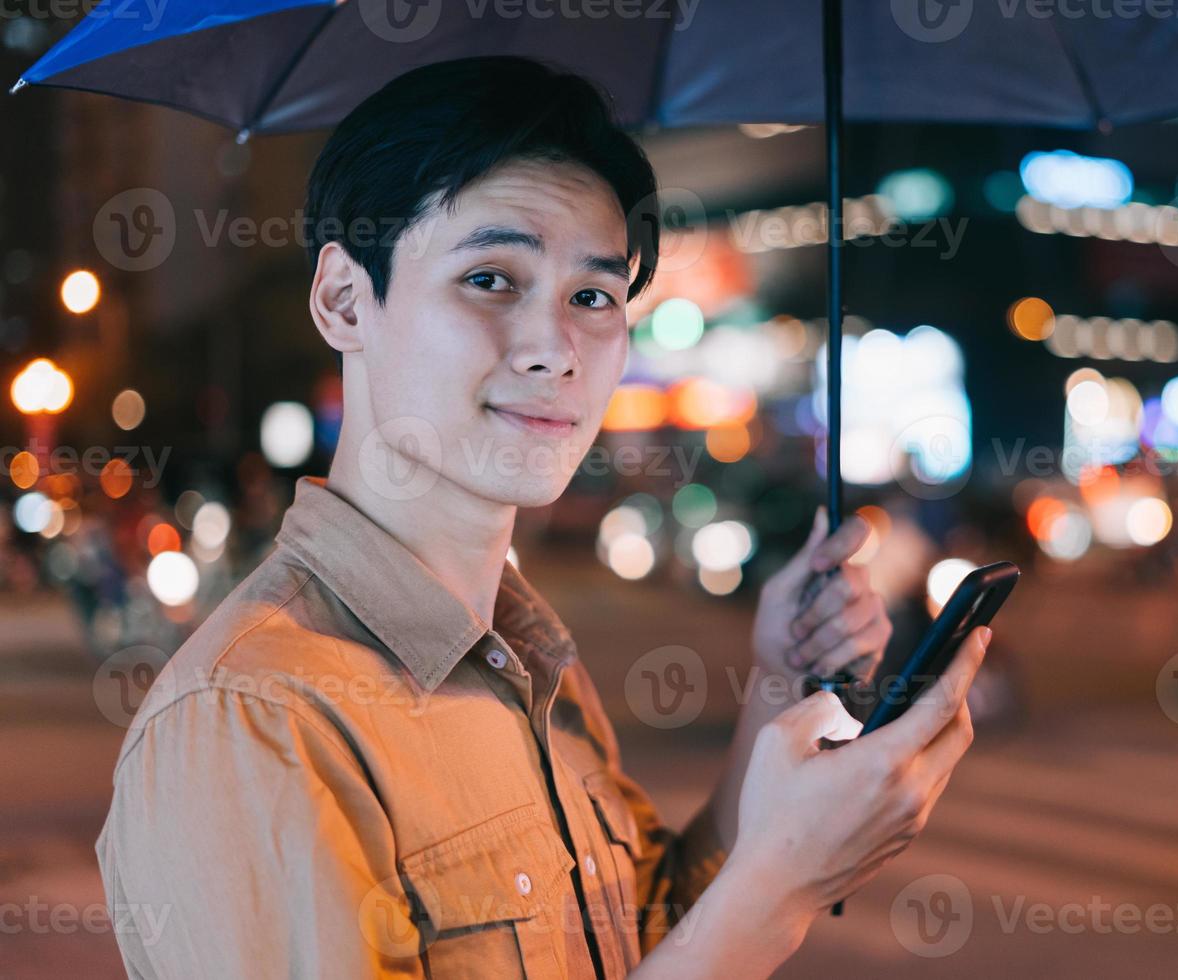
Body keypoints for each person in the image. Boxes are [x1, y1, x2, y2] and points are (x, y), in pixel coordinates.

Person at [95, 56, 990, 979]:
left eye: (593, 296)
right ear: (344, 299)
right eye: (491, 278)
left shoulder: (520, 652)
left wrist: (777, 681)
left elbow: (645, 934)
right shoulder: (251, 720)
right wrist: (780, 891)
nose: (553, 349)